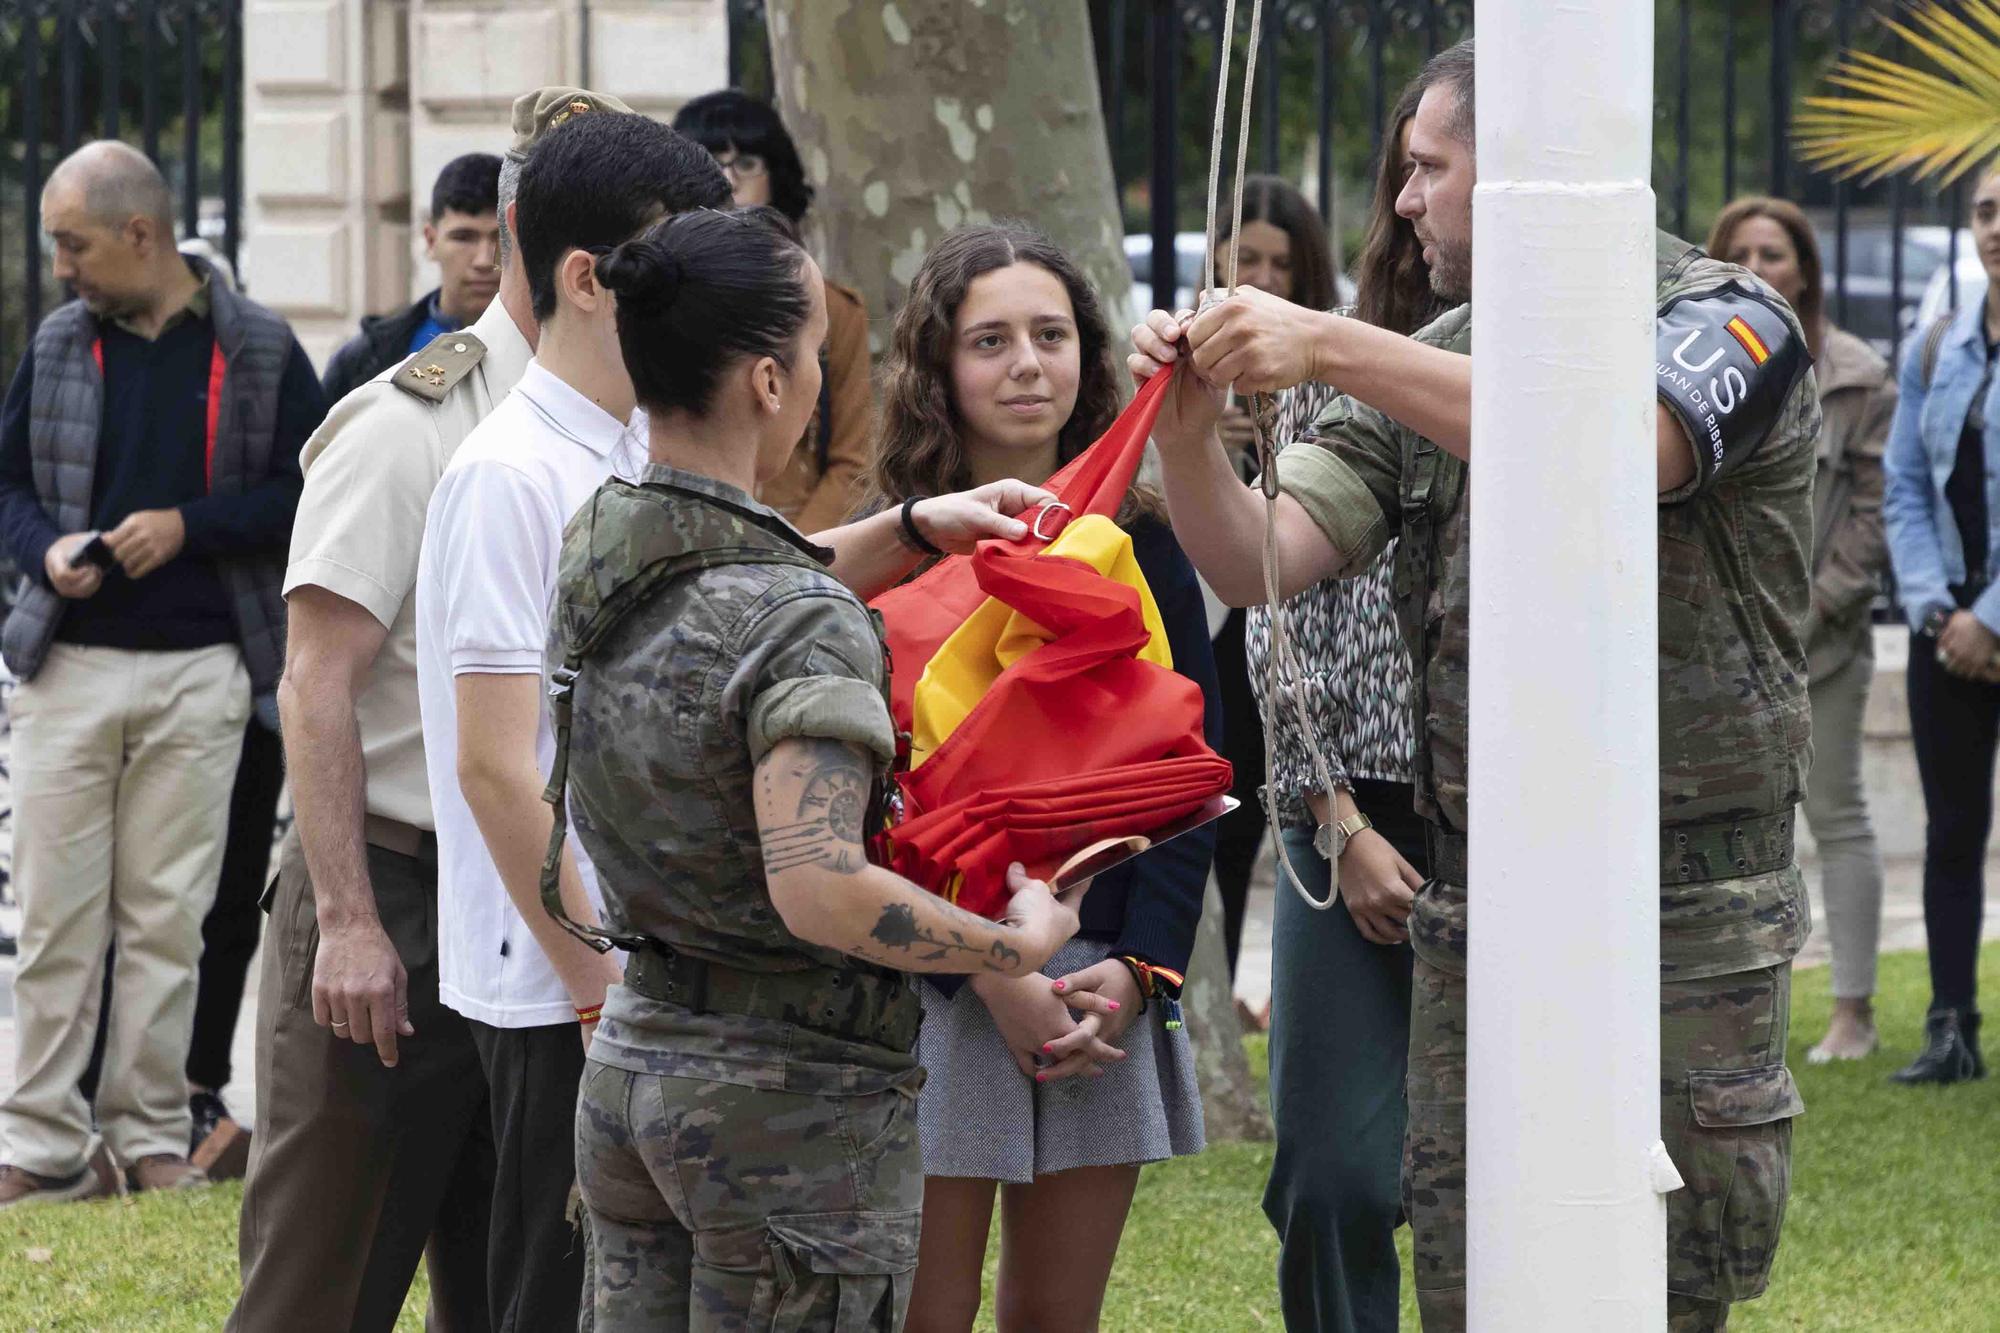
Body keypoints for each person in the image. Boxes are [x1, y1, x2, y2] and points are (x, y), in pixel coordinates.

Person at [1130, 39, 1817, 1331]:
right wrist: (1185, 424)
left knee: (1667, 1279)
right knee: (1474, 1263)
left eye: (1426, 169)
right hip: (1481, 885)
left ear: (1523, 171)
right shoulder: (1426, 355)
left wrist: (1328, 342)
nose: (1402, 202)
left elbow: (1624, 441)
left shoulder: (1733, 318)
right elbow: (1264, 558)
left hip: (1691, 893)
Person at [557, 203, 1084, 1330]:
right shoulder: (801, 622)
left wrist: (911, 525)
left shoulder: (602, 543)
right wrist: (1015, 941)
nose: (817, 378)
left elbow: (733, 577)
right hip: (784, 1114)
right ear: (764, 381)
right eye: (808, 355)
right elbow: (820, 886)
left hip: (636, 1068)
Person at [227, 87, 633, 1332]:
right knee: (325, 1279)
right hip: (394, 890)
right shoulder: (416, 418)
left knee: (519, 1277)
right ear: (551, 245)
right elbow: (316, 679)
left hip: (531, 896)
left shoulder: (624, 426)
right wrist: (346, 921)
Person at [857, 223, 1212, 1333]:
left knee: (1058, 1317)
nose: (1025, 364)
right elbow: (865, 794)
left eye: (1051, 336)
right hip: (933, 976)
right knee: (926, 1310)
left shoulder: (1142, 540)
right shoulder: (897, 546)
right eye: (990, 340)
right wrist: (988, 969)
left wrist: (1142, 967)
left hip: (1099, 978)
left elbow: (1192, 773)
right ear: (937, 370)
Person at [416, 109, 730, 1330]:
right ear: (587, 278)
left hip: (637, 961)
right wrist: (602, 989)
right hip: (566, 986)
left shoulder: (636, 447)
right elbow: (498, 770)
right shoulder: (509, 473)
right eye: (677, 257)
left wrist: (918, 531)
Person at [0, 141, 318, 1205]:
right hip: (66, 669)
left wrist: (188, 527)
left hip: (203, 673)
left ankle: (147, 1134)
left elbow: (304, 493)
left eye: (72, 242)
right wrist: (46, 546)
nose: (62, 266)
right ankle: (39, 1144)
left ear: (142, 234)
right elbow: (5, 487)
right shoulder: (56, 344)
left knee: (165, 919)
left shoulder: (262, 347)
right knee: (52, 916)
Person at [1244, 86, 1439, 1333]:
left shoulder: (1592, 389)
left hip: (1525, 821)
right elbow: (1275, 622)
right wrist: (1335, 821)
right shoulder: (1333, 383)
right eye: (1405, 180)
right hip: (1350, 817)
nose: (1418, 207)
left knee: (1517, 1174)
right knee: (1335, 1176)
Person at [1710, 197, 1896, 1066]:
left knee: (1837, 815)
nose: (1757, 266)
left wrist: (1813, 607)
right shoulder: (1688, 365)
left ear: (1807, 270)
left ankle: (1852, 1012)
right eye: (1739, 251)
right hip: (1710, 652)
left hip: (1822, 642)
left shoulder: (1857, 375)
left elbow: (1871, 515)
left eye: (1774, 253)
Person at [1881, 160, 2000, 1086]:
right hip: (1946, 635)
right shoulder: (1935, 349)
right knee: (1952, 828)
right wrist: (1936, 608)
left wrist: (1990, 618)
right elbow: (1905, 487)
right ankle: (1950, 1026)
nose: (1997, 226)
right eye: (1987, 210)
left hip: (1982, 625)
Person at [1210, 176, 1342, 986]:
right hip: (1212, 625)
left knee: (1270, 824)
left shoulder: (1328, 367)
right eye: (1245, 258)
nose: (1259, 278)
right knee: (1211, 830)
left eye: (1279, 265)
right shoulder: (1185, 357)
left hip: (1291, 628)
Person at [674, 89, 875, 533]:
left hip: (806, 543)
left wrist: (794, 553)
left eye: (745, 164)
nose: (729, 181)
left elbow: (853, 463)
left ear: (776, 176)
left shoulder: (835, 312)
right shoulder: (655, 295)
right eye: (711, 163)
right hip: (682, 529)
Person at [320, 153, 503, 403]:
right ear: (430, 240)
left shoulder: (555, 353)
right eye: (463, 237)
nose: (484, 260)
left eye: (501, 238)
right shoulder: (363, 361)